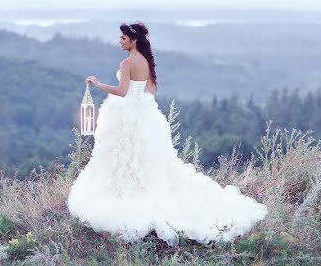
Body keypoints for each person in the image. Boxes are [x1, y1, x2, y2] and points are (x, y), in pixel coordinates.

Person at [67, 21, 268, 245]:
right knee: (144, 157)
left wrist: (98, 84)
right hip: (144, 112)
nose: (120, 41)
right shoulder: (145, 61)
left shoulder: (126, 63)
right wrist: (139, 107)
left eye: (123, 37)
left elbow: (123, 91)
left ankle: (127, 197)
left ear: (133, 40)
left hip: (127, 113)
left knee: (124, 155)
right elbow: (149, 91)